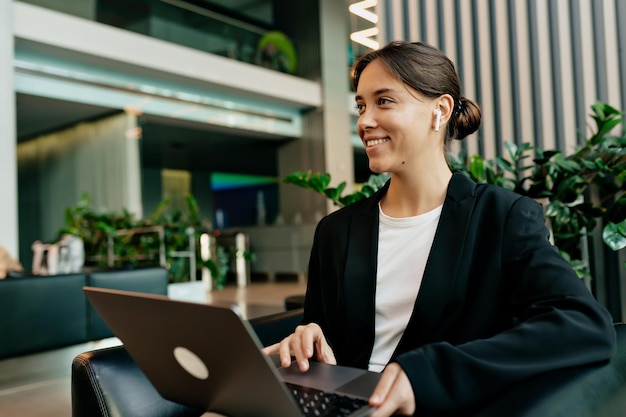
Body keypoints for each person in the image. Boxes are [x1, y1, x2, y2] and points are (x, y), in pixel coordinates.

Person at [263, 41, 616, 416]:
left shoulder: (501, 217)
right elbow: (327, 334)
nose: (364, 121)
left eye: (384, 101)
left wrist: (427, 375)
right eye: (361, 105)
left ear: (440, 111)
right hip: (340, 404)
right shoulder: (336, 230)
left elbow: (583, 323)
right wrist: (309, 336)